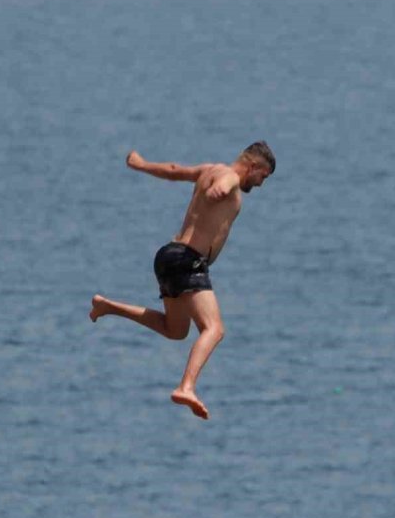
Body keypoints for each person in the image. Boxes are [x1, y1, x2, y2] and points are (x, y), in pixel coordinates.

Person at [90, 142, 276, 420]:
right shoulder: (230, 178)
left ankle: (107, 307)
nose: (261, 184)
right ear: (253, 166)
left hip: (168, 256)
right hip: (189, 261)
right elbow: (228, 182)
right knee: (214, 329)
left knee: (175, 330)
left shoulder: (208, 170)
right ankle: (186, 387)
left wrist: (141, 165)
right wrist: (222, 189)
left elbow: (174, 171)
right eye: (263, 176)